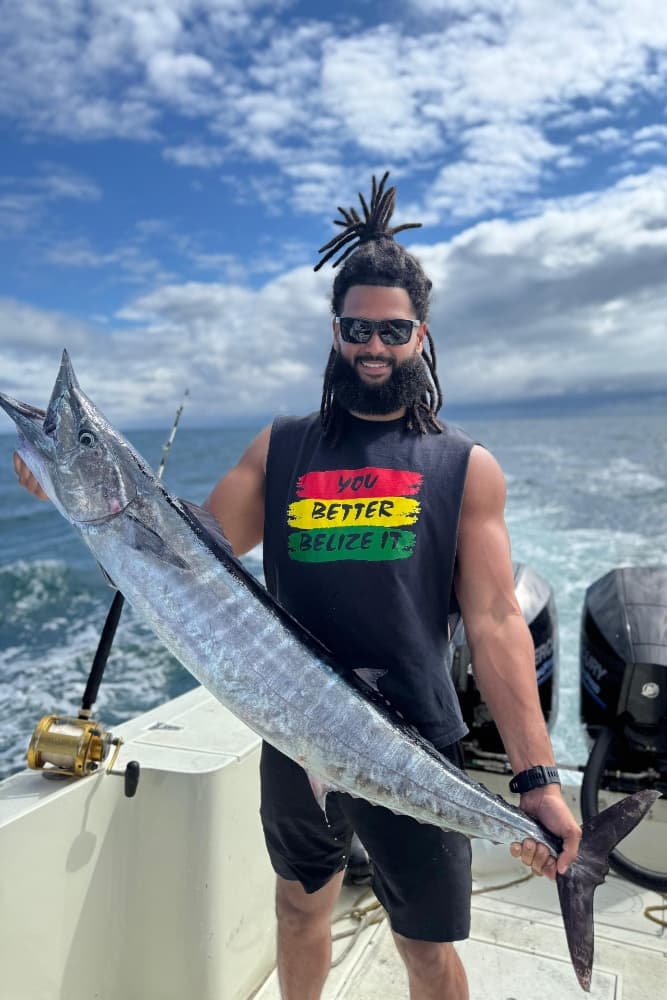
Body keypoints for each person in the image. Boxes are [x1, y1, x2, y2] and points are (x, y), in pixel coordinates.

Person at [14, 173, 581, 1000]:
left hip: (413, 736)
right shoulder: (277, 449)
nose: (374, 347)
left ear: (420, 335)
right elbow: (179, 561)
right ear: (335, 329)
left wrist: (536, 782)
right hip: (290, 728)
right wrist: (72, 493)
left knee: (424, 948)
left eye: (393, 331)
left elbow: (495, 622)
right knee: (295, 908)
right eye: (358, 328)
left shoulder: (466, 467)